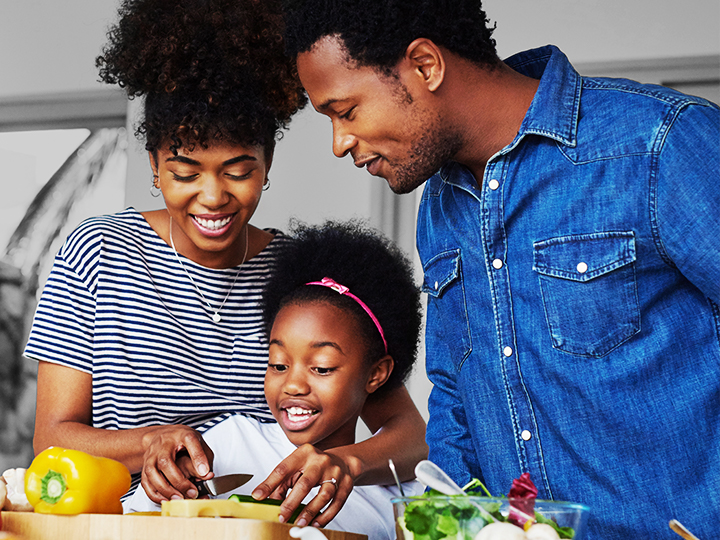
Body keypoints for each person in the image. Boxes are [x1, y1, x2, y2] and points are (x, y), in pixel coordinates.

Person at [279, 1, 720, 539]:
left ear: (425, 66)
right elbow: (455, 399)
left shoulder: (659, 145)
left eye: (345, 111)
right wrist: (440, 526)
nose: (339, 143)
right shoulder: (440, 208)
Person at [23, 0, 427, 528]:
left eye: (238, 171)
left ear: (267, 164)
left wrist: (341, 463)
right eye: (185, 173)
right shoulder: (96, 252)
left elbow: (411, 434)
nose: (212, 198)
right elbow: (52, 441)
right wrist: (153, 443)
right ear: (153, 165)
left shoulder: (298, 274)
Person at [128, 220, 424, 537]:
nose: (293, 385)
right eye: (278, 364)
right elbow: (131, 523)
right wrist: (169, 487)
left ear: (376, 374)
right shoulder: (228, 443)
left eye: (322, 368)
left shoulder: (398, 494)